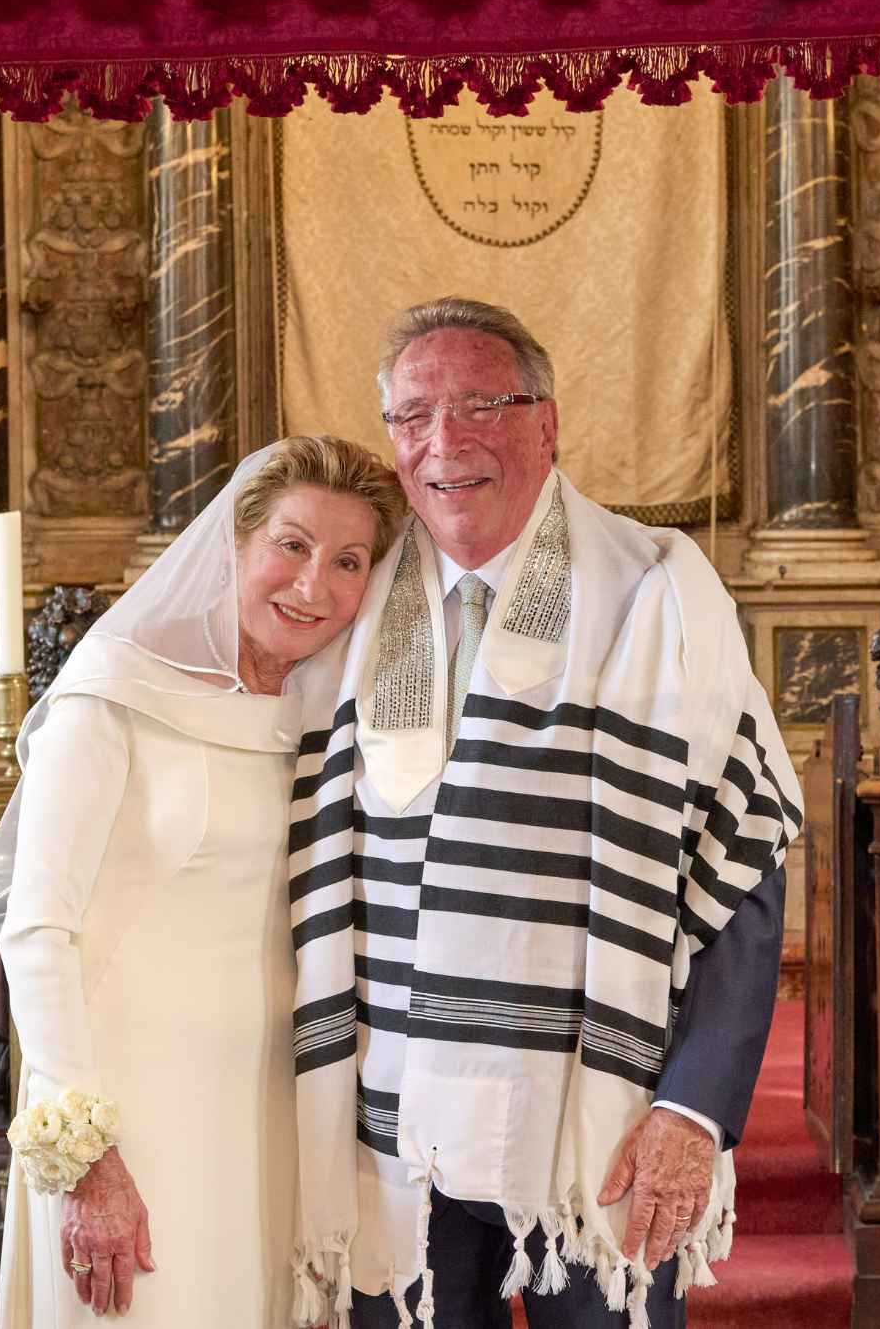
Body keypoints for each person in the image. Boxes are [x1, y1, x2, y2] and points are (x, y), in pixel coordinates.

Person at [289, 300, 802, 1329]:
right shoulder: (343, 599)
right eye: (413, 415)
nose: (444, 441)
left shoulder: (657, 590)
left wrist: (693, 1107)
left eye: (482, 405)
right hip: (385, 1118)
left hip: (594, 1113)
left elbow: (742, 859)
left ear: (546, 423)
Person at [0, 435, 406, 1328]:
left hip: (276, 1101)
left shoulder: (339, 722)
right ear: (234, 544)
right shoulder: (111, 697)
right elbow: (37, 928)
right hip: (131, 1100)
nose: (312, 584)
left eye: (348, 561)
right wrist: (89, 1155)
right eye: (291, 545)